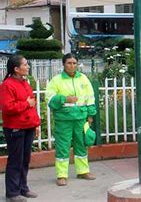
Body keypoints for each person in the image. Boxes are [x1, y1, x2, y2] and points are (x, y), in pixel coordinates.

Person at [45, 53, 96, 186]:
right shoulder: (56, 80)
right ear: (64, 64)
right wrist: (64, 99)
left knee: (82, 144)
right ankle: (61, 175)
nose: (72, 66)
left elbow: (90, 97)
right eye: (69, 63)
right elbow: (49, 98)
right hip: (64, 119)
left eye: (74, 63)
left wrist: (90, 115)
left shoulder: (83, 79)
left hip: (81, 118)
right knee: (63, 146)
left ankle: (83, 171)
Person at [0, 55, 40, 201]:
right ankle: (12, 192)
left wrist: (36, 124)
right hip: (15, 128)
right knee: (15, 160)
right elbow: (7, 107)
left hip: (27, 126)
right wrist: (26, 104)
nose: (28, 66)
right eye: (25, 64)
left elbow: (32, 106)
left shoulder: (25, 83)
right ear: (16, 69)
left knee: (25, 159)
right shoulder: (7, 85)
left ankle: (23, 188)